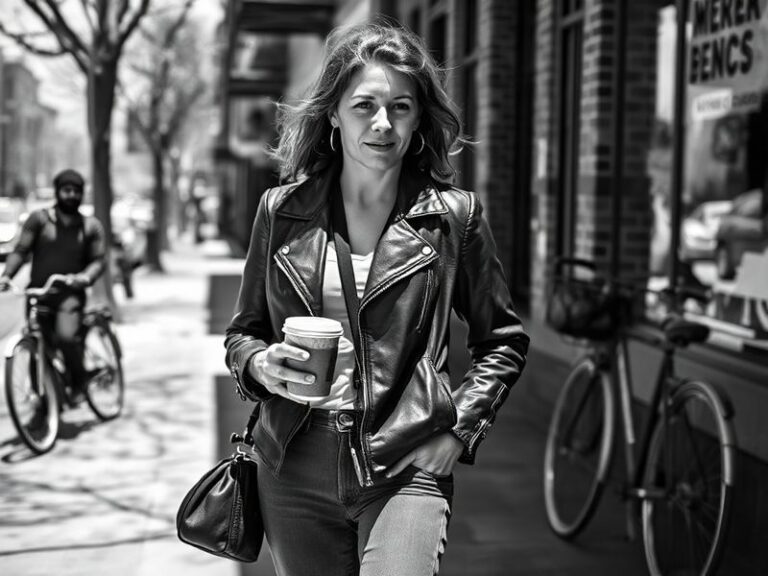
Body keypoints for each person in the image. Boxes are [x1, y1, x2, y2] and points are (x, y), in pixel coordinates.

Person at [224, 20, 529, 576]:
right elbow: (244, 332)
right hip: (293, 463)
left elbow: (502, 342)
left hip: (404, 460)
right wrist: (261, 365)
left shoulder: (453, 218)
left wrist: (459, 429)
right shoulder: (282, 211)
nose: (383, 123)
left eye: (401, 107)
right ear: (334, 115)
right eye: (364, 106)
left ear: (418, 118)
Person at [0, 168, 107, 397]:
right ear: (57, 191)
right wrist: (7, 274)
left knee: (66, 338)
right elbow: (21, 250)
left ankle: (80, 382)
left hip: (70, 296)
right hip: (38, 294)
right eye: (66, 190)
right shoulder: (39, 220)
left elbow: (98, 260)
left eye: (76, 191)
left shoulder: (90, 226)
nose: (71, 195)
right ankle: (43, 402)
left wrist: (85, 277)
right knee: (36, 343)